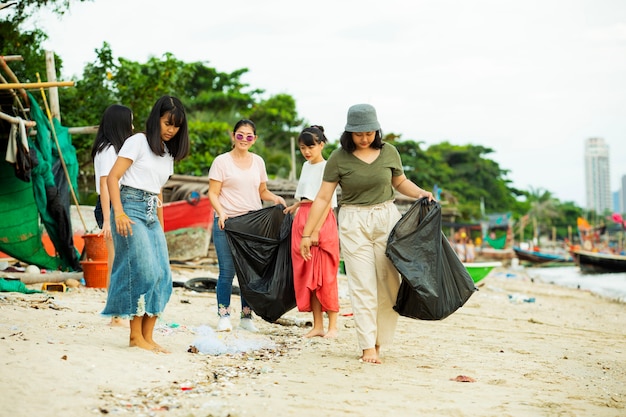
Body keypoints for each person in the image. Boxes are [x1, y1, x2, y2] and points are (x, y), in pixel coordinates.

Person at [299, 104, 434, 364]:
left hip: (386, 218)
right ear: (349, 132)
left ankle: (379, 340)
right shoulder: (339, 158)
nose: (364, 138)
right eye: (359, 134)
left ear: (377, 131)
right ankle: (367, 347)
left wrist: (420, 192)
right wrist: (307, 234)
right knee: (362, 285)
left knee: (389, 284)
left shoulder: (389, 152)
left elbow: (399, 182)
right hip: (354, 221)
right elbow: (324, 196)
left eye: (370, 133)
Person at [103, 95, 190, 353]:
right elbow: (112, 177)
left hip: (152, 213)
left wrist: (160, 226)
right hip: (130, 208)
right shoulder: (137, 141)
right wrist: (117, 213)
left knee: (163, 275)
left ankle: (148, 337)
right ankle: (134, 337)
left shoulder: (167, 153)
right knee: (145, 272)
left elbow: (158, 191)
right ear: (157, 119)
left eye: (176, 126)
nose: (171, 130)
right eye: (167, 123)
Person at [208, 119, 286, 333]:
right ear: (233, 136)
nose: (244, 139)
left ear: (255, 139)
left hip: (252, 225)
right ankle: (223, 315)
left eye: (249, 136)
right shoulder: (221, 162)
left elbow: (262, 192)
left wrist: (275, 198)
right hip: (228, 223)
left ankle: (246, 316)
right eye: (240, 135)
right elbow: (213, 193)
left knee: (250, 273)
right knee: (227, 272)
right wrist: (221, 212)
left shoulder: (258, 162)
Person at [284, 126, 340, 338]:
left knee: (325, 275)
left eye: (311, 146)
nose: (306, 151)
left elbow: (326, 201)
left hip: (321, 220)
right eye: (302, 147)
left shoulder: (328, 167)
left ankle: (333, 326)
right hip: (302, 218)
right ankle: (317, 326)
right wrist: (295, 207)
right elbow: (306, 196)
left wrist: (315, 230)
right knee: (308, 275)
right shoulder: (306, 166)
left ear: (321, 145)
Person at [90, 104, 134, 327]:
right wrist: (108, 219)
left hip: (119, 207)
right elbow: (105, 184)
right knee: (116, 261)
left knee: (121, 261)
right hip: (110, 208)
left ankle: (120, 311)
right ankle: (115, 314)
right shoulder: (107, 150)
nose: (133, 126)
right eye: (130, 122)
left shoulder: (116, 149)